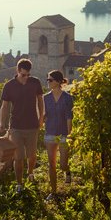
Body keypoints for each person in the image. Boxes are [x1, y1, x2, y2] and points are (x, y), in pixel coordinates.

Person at [0, 58, 44, 193]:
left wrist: (41, 117)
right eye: (23, 75)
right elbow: (4, 106)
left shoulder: (35, 82)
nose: (25, 78)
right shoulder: (9, 86)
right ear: (17, 71)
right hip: (16, 127)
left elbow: (40, 101)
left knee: (32, 155)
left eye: (28, 75)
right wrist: (2, 122)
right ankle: (19, 183)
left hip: (32, 125)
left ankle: (30, 173)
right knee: (18, 157)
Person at [43, 70, 73, 201]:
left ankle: (67, 170)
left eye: (50, 80)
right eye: (47, 80)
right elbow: (43, 116)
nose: (48, 82)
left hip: (63, 134)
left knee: (62, 164)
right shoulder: (45, 98)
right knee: (52, 164)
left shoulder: (67, 98)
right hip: (50, 133)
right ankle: (53, 191)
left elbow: (69, 117)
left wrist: (68, 134)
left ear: (58, 81)